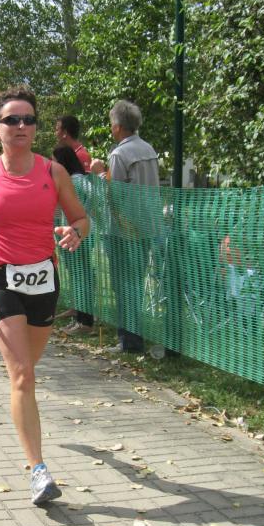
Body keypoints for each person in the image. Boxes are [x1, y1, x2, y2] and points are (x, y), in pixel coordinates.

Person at [0, 86, 90, 505]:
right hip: (0, 280)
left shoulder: (53, 172)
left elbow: (81, 218)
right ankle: (39, 471)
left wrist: (75, 232)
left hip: (44, 279)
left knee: (26, 360)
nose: (22, 126)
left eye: (29, 119)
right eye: (12, 119)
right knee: (23, 376)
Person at [99, 100, 160, 353]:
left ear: (118, 126)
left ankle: (129, 342)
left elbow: (115, 194)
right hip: (147, 227)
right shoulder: (149, 149)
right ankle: (134, 338)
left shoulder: (119, 154)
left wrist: (100, 178)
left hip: (123, 231)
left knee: (123, 286)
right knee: (136, 283)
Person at [52, 145, 95, 333]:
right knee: (78, 275)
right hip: (72, 234)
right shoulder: (72, 179)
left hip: (79, 235)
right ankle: (78, 314)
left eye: (54, 160)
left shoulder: (77, 181)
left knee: (81, 276)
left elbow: (94, 199)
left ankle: (85, 320)